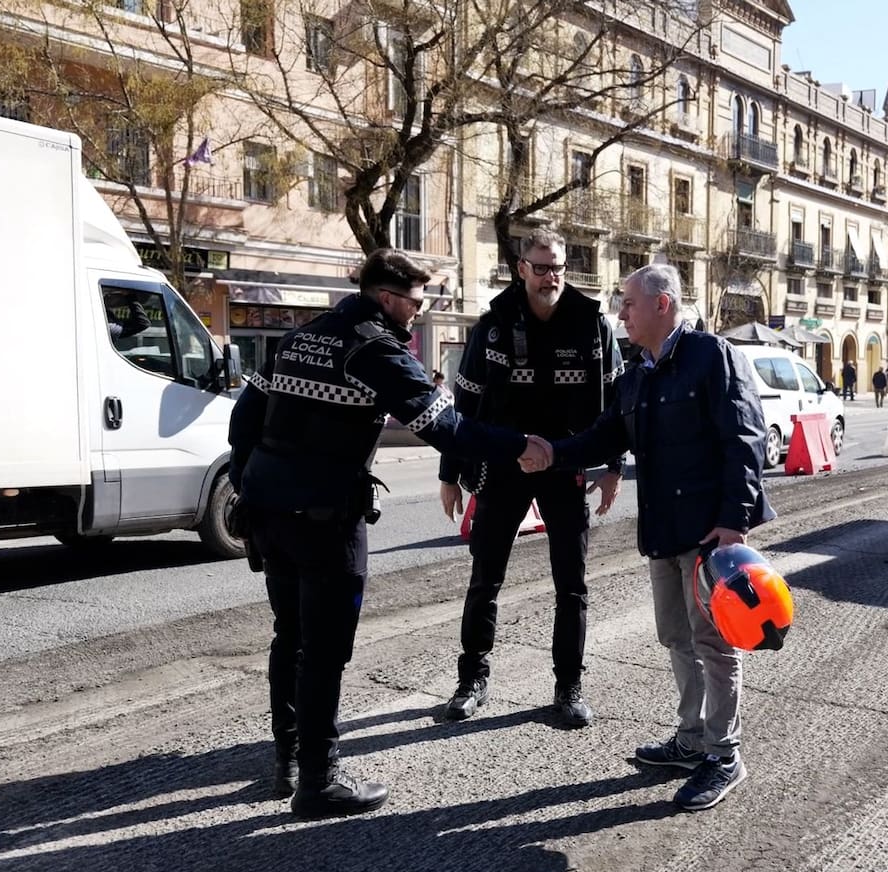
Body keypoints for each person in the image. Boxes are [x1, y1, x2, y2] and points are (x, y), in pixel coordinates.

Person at [228, 249, 531, 819]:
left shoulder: (301, 336)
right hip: (324, 519)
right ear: (388, 298)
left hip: (268, 512)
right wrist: (521, 446)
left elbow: (244, 420)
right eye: (415, 304)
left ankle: (288, 760)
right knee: (323, 646)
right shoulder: (375, 347)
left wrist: (257, 484)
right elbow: (445, 425)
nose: (417, 315)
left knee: (288, 633)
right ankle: (319, 781)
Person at [520, 263, 775, 811]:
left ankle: (725, 754)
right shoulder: (636, 374)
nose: (621, 313)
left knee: (714, 645)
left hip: (710, 534)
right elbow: (606, 435)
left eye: (628, 304)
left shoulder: (712, 356)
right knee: (676, 638)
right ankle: (691, 739)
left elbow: (746, 437)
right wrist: (552, 452)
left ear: (662, 304)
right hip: (663, 531)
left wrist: (735, 521)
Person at [438, 228, 625, 728]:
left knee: (573, 584)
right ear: (521, 268)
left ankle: (568, 687)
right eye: (541, 267)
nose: (551, 277)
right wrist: (451, 474)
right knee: (485, 579)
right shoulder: (494, 326)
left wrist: (612, 466)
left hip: (566, 467)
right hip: (504, 467)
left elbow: (615, 405)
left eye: (559, 266)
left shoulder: (591, 325)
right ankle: (471, 679)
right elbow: (464, 406)